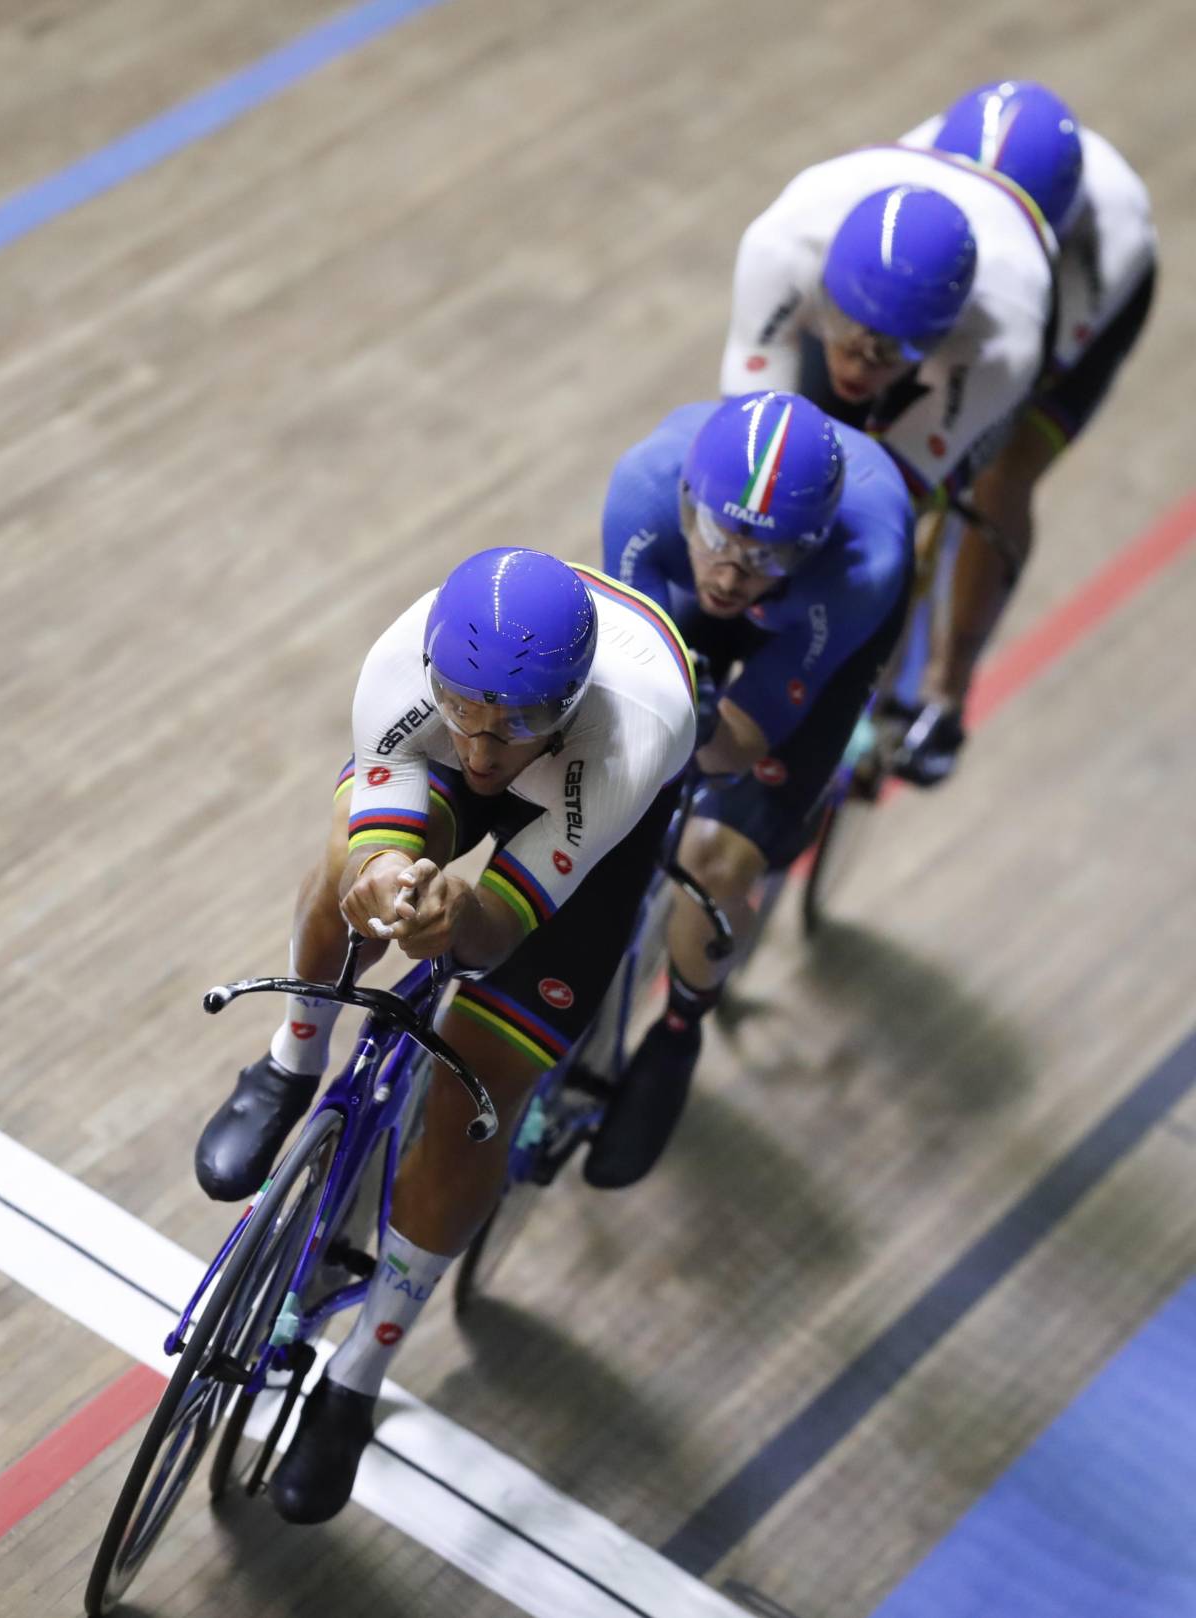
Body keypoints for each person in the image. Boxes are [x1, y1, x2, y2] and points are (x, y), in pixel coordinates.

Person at [194, 546, 696, 1522]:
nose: (480, 742)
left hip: (592, 810)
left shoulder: (626, 735)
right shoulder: (405, 671)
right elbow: (384, 825)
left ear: (564, 702)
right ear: (436, 672)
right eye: (462, 705)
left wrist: (452, 918)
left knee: (483, 1086)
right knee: (347, 873)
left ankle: (358, 1379)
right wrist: (387, 881)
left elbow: (497, 930)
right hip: (485, 744)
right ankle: (291, 1063)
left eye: (510, 722)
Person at [583, 390, 914, 1189]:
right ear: (687, 501)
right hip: (701, 589)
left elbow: (735, 746)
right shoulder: (643, 493)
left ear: (808, 545)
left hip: (811, 629)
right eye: (721, 538)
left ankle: (680, 1028)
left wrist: (706, 735)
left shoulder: (856, 570)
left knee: (719, 856)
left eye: (764, 553)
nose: (732, 570)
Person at [718, 139, 1059, 783]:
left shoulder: (1003, 341)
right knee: (760, 474)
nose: (858, 367)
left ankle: (896, 688)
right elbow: (750, 444)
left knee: (885, 524)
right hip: (860, 276)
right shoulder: (782, 248)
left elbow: (889, 494)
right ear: (825, 296)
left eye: (885, 356)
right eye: (848, 342)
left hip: (980, 338)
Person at [888, 81, 1157, 783]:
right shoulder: (908, 170)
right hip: (945, 270)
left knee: (999, 472)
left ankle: (949, 686)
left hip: (1062, 326)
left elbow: (1000, 386)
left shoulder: (1107, 243)